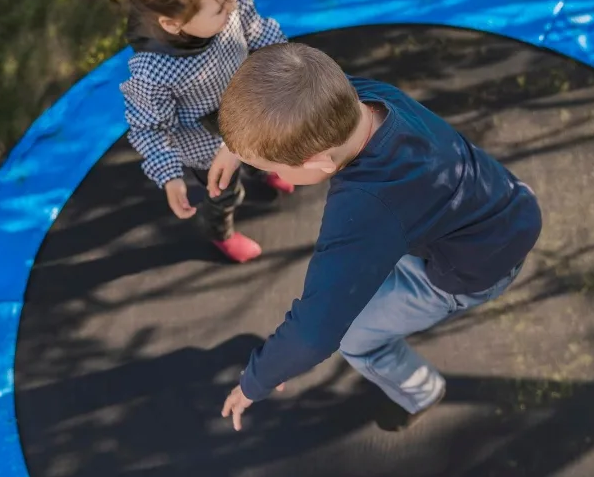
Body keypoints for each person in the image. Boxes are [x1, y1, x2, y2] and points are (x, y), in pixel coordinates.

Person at [217, 43, 543, 430]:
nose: (265, 171)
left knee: (356, 339)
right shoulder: (362, 97)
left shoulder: (368, 207)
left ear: (318, 161)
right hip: (499, 199)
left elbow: (314, 334)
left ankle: (420, 391)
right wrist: (238, 145)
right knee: (368, 273)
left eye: (267, 167)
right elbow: (286, 100)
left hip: (472, 266)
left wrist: (257, 380)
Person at [95, 0, 294, 263]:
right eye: (220, 8)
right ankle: (218, 230)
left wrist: (282, 62)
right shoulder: (155, 72)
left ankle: (262, 169)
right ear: (173, 24)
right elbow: (149, 129)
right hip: (210, 151)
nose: (233, 2)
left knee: (264, 149)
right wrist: (170, 175)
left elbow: (256, 30)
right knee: (226, 193)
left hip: (249, 111)